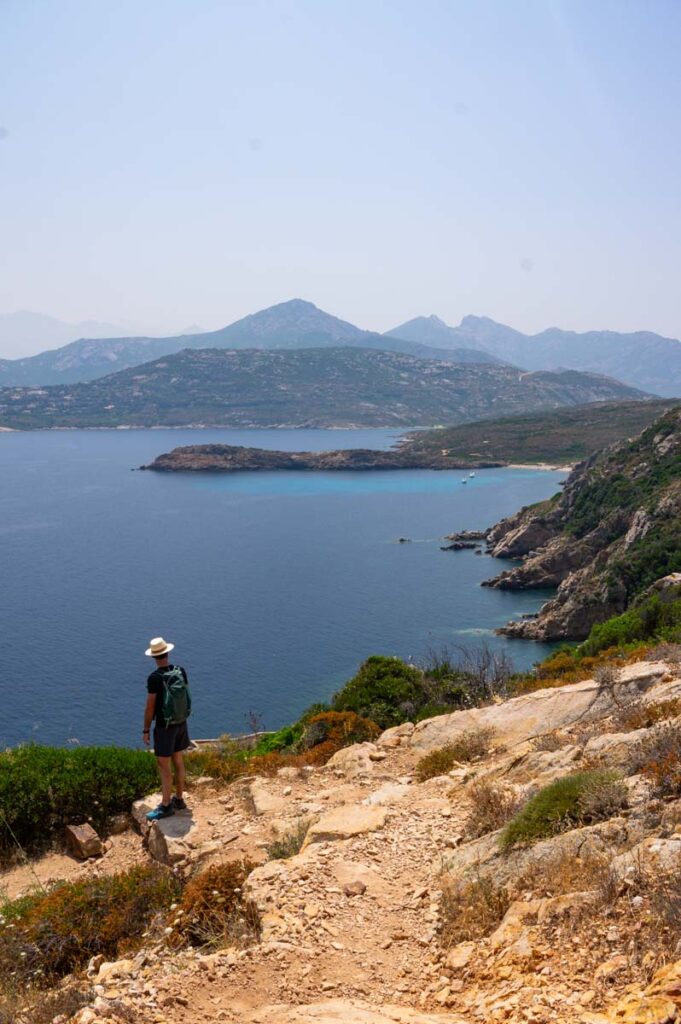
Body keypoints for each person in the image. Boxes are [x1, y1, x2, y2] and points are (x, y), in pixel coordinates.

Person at [143, 636, 192, 821]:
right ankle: (179, 799)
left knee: (164, 765)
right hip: (181, 722)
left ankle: (165, 806)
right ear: (167, 652)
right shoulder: (180, 670)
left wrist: (146, 730)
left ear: (154, 657)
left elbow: (150, 707)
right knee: (178, 760)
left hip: (164, 727)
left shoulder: (155, 678)